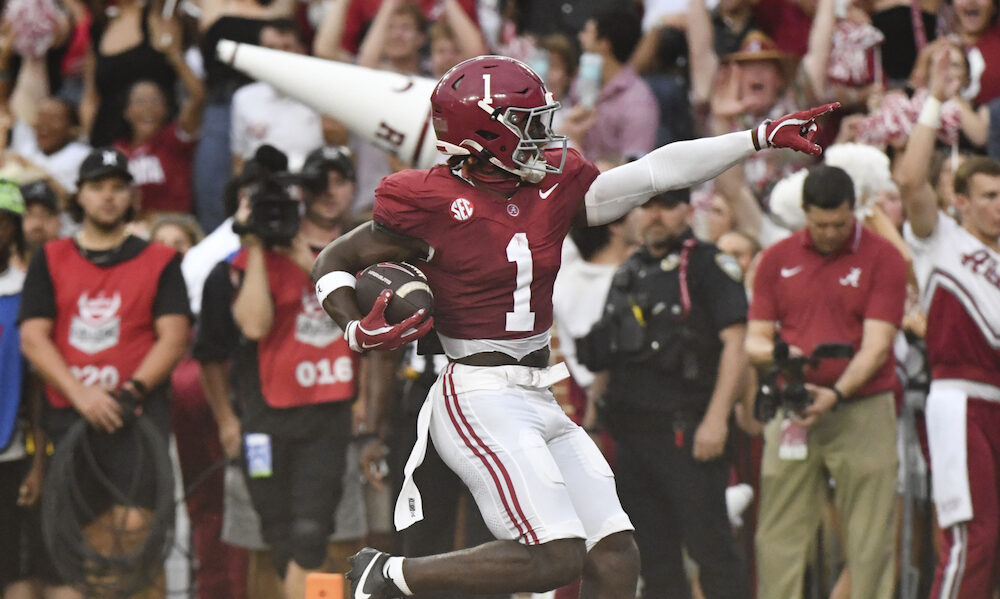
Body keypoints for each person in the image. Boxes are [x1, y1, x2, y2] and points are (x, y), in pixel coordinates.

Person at [310, 54, 838, 599]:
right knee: (554, 555)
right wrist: (354, 327)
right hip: (478, 391)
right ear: (484, 134)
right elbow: (332, 262)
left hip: (538, 391)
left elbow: (654, 172)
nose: (543, 135)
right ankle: (391, 577)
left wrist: (755, 137)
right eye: (528, 123)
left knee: (613, 555)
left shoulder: (551, 186)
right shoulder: (428, 200)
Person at [17, 147, 190, 597]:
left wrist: (131, 390)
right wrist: (81, 395)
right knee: (83, 543)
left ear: (131, 195)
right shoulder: (50, 258)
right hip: (70, 417)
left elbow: (173, 336)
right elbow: (34, 337)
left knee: (141, 533)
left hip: (137, 416)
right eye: (97, 187)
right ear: (80, 195)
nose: (108, 197)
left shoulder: (160, 260)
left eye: (117, 187)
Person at [576, 188, 751, 599]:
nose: (656, 216)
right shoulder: (629, 270)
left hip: (688, 432)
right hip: (634, 435)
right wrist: (591, 421)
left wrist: (715, 420)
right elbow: (609, 348)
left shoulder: (708, 265)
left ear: (688, 211)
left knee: (712, 551)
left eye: (667, 206)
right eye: (648, 206)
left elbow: (736, 343)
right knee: (653, 559)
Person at [744, 164, 906, 599]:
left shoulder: (884, 257)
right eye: (820, 224)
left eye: (839, 223)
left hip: (863, 406)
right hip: (793, 403)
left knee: (870, 533)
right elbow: (754, 340)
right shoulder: (776, 260)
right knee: (778, 531)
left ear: (854, 210)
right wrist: (782, 355)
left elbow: (877, 346)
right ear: (805, 212)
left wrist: (835, 393)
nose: (830, 232)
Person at [894, 55, 1000, 598]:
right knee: (971, 538)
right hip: (959, 398)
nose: (999, 207)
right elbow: (911, 179)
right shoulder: (942, 243)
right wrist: (935, 100)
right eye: (988, 196)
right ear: (960, 202)